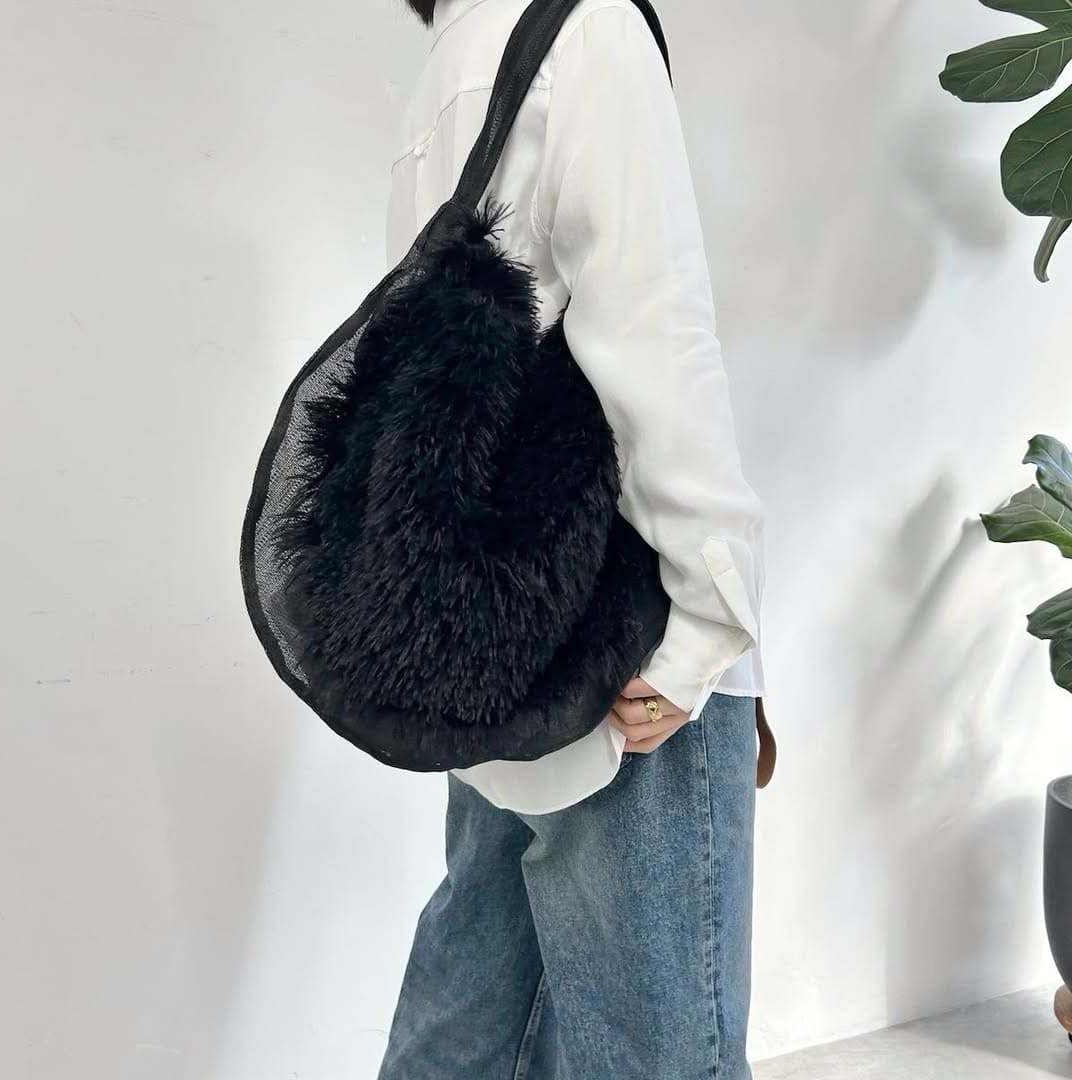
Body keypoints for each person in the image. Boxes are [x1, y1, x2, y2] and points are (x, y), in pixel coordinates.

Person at [378, 1, 774, 1076]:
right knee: (660, 1050)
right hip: (626, 629)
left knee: (473, 1008)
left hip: (498, 632)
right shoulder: (587, 28)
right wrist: (710, 619)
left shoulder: (456, 54)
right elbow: (653, 333)